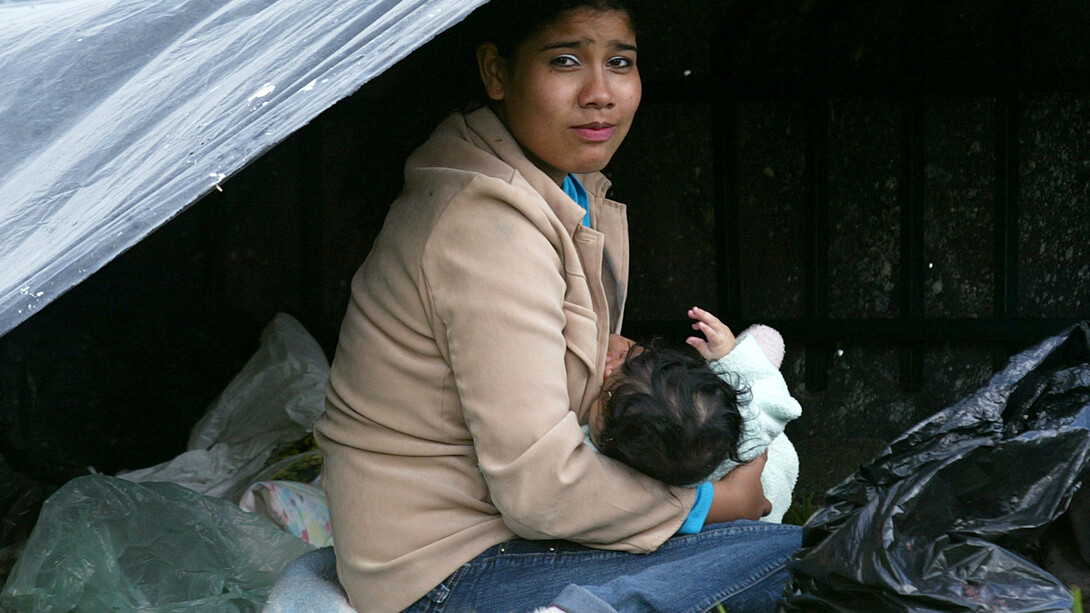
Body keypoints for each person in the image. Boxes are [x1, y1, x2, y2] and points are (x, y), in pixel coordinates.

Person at [313, 2, 802, 611]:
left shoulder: (553, 187)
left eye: (619, 62)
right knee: (802, 562)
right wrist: (710, 505)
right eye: (565, 60)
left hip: (503, 541)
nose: (600, 93)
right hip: (445, 572)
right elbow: (540, 487)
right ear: (496, 73)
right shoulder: (485, 227)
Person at [589, 307, 802, 522]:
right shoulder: (751, 422)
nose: (607, 372)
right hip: (767, 492)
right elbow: (771, 393)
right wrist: (730, 353)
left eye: (603, 394)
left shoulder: (629, 480)